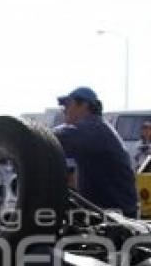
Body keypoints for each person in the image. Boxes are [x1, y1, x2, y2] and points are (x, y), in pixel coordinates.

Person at [53, 87, 138, 217]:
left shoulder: (93, 129)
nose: (64, 110)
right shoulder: (97, 129)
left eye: (68, 104)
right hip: (110, 210)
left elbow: (51, 137)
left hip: (116, 217)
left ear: (84, 105)